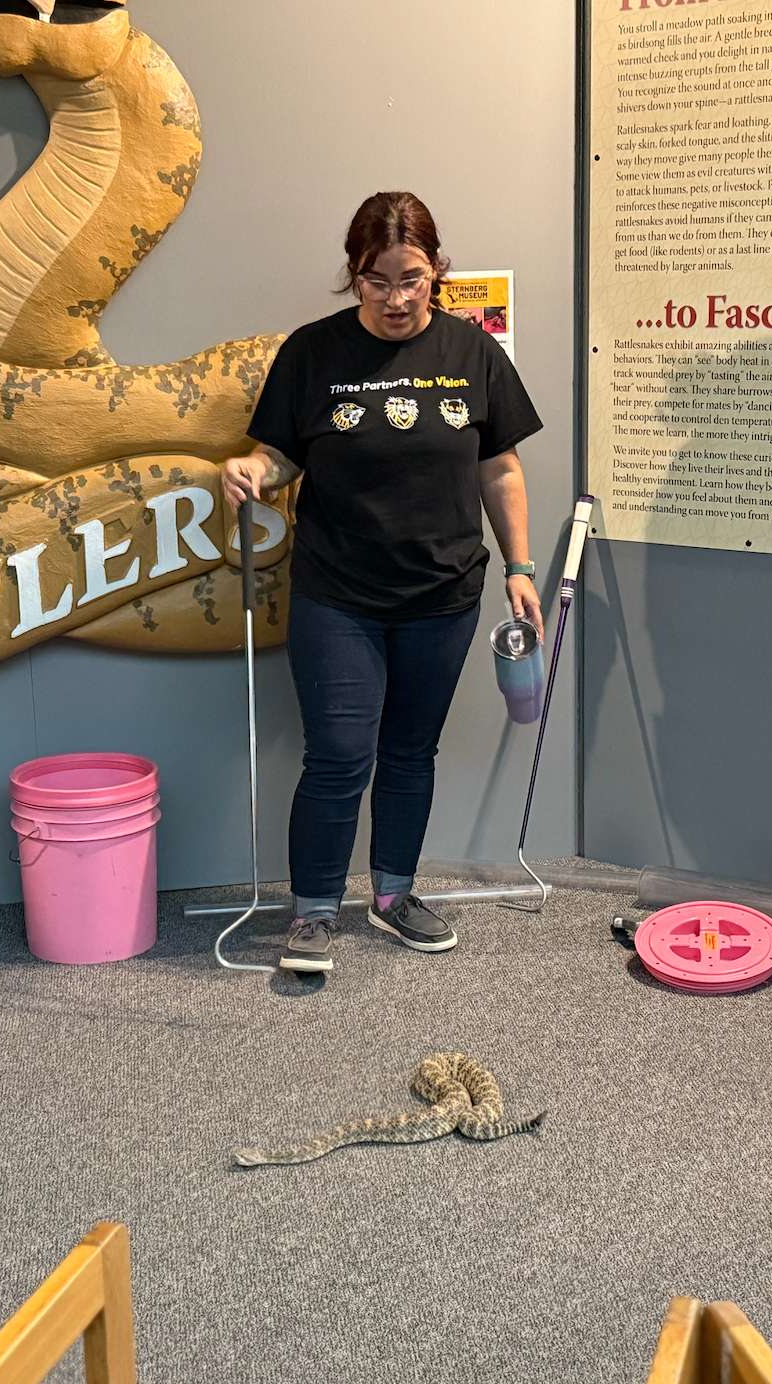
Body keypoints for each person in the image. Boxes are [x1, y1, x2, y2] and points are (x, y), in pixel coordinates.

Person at [219, 192, 544, 973]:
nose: (397, 300)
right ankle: (314, 911)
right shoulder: (313, 353)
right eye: (378, 281)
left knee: (409, 752)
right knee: (337, 753)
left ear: (437, 271)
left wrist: (521, 567)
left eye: (413, 279)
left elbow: (499, 466)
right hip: (339, 594)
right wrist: (250, 470)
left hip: (444, 595)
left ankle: (395, 896)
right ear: (353, 275)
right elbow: (281, 455)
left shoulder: (472, 353)